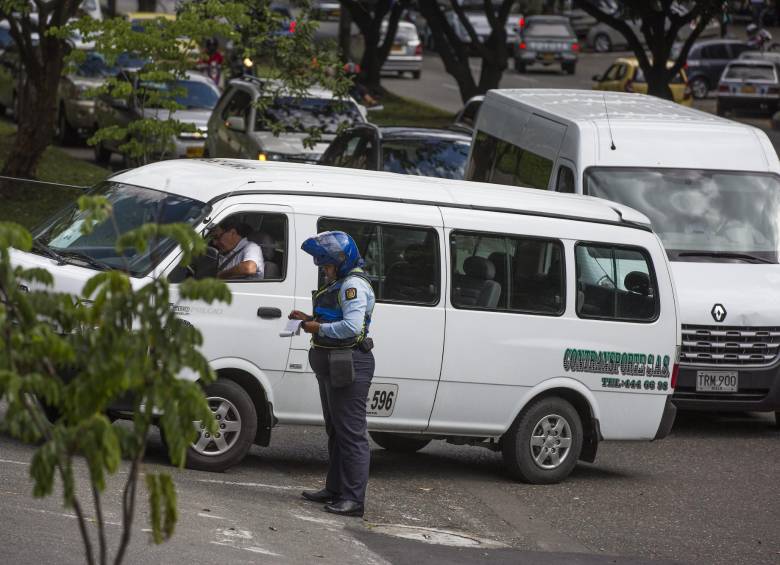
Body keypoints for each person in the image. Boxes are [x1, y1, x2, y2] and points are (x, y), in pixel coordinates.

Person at [290, 231, 376, 518]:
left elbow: (351, 327)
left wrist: (319, 329)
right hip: (334, 362)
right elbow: (335, 317)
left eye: (326, 266)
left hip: (349, 362)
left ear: (340, 261)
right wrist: (309, 320)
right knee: (336, 430)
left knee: (351, 434)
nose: (323, 271)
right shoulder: (340, 282)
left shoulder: (352, 285)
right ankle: (335, 488)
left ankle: (353, 499)